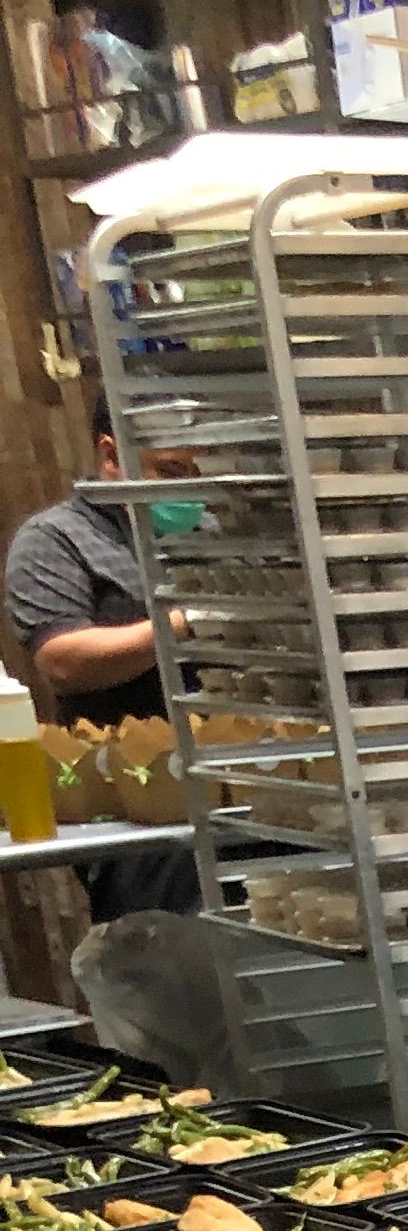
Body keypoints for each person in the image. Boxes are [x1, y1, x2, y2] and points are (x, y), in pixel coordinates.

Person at [2, 384, 200, 918]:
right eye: (172, 472)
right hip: (138, 805)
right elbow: (64, 661)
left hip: (237, 784)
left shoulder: (215, 534)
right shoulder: (55, 541)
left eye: (197, 473)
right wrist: (187, 623)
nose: (191, 491)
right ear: (111, 455)